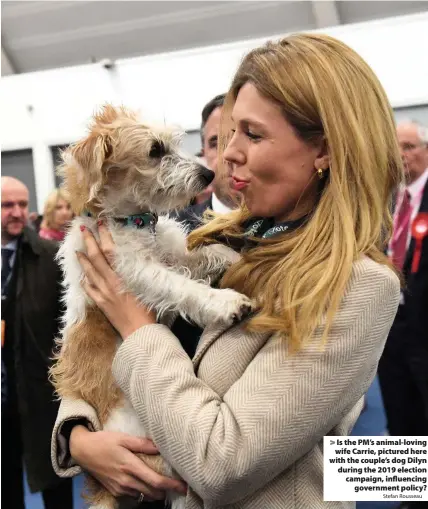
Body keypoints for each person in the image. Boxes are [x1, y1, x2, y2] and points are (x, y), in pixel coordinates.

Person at [51, 34, 402, 509]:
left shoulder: (358, 283)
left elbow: (223, 463)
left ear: (325, 151)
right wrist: (80, 436)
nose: (225, 155)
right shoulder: (207, 238)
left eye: (252, 135)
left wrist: (136, 326)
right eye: (226, 134)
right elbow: (86, 342)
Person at [1, 176, 73, 509]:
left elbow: (68, 326)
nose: (16, 212)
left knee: (55, 487)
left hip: (40, 396)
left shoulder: (50, 257)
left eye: (22, 204)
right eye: (6, 205)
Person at [378, 122, 428, 445]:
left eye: (409, 146)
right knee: (398, 413)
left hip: (425, 324)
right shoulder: (389, 200)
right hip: (390, 327)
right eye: (395, 147)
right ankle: (408, 492)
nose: (401, 154)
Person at [175, 93, 239, 231]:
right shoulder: (177, 233)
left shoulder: (292, 225)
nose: (229, 154)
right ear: (204, 155)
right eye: (216, 143)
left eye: (250, 136)